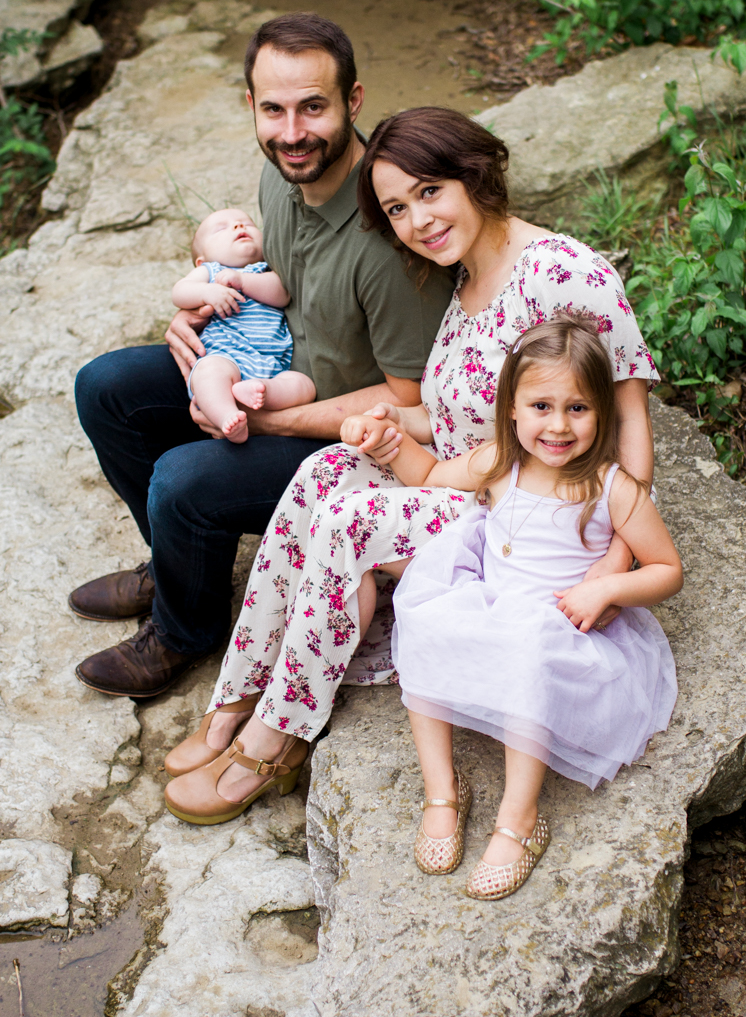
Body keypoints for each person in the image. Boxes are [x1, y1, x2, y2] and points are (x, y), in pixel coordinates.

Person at [161, 106, 661, 827]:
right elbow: (455, 415)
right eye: (397, 207)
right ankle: (240, 694)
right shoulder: (460, 281)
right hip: (447, 477)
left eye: (430, 191)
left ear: (476, 174)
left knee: (349, 519)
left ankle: (276, 739)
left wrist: (608, 572)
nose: (417, 220)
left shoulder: (565, 274)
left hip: (522, 511)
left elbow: (631, 439)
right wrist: (386, 426)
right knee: (323, 473)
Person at [69, 14, 454, 699]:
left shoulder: (388, 242)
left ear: (353, 101)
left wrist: (273, 423)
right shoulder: (281, 176)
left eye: (314, 106)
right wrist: (196, 314)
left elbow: (412, 402)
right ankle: (175, 562)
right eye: (273, 109)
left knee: (181, 480)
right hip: (262, 360)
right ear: (251, 105)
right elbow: (266, 270)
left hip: (341, 437)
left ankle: (185, 629)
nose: (293, 132)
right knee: (106, 387)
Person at [342, 316, 681, 900]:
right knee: (426, 619)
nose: (557, 425)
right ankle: (443, 790)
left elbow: (667, 570)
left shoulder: (612, 488)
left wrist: (607, 589)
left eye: (578, 408)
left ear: (603, 412)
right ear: (513, 411)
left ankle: (520, 818)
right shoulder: (503, 461)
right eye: (541, 406)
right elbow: (427, 475)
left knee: (526, 653)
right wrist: (390, 443)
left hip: (557, 626)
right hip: (490, 602)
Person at [172, 207, 315, 443]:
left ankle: (261, 391)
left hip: (273, 365)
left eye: (246, 223)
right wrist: (207, 291)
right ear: (202, 259)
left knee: (304, 386)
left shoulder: (268, 270)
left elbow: (282, 295)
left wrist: (243, 280)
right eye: (221, 228)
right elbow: (179, 292)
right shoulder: (210, 271)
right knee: (208, 372)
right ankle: (228, 417)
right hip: (226, 356)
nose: (238, 227)